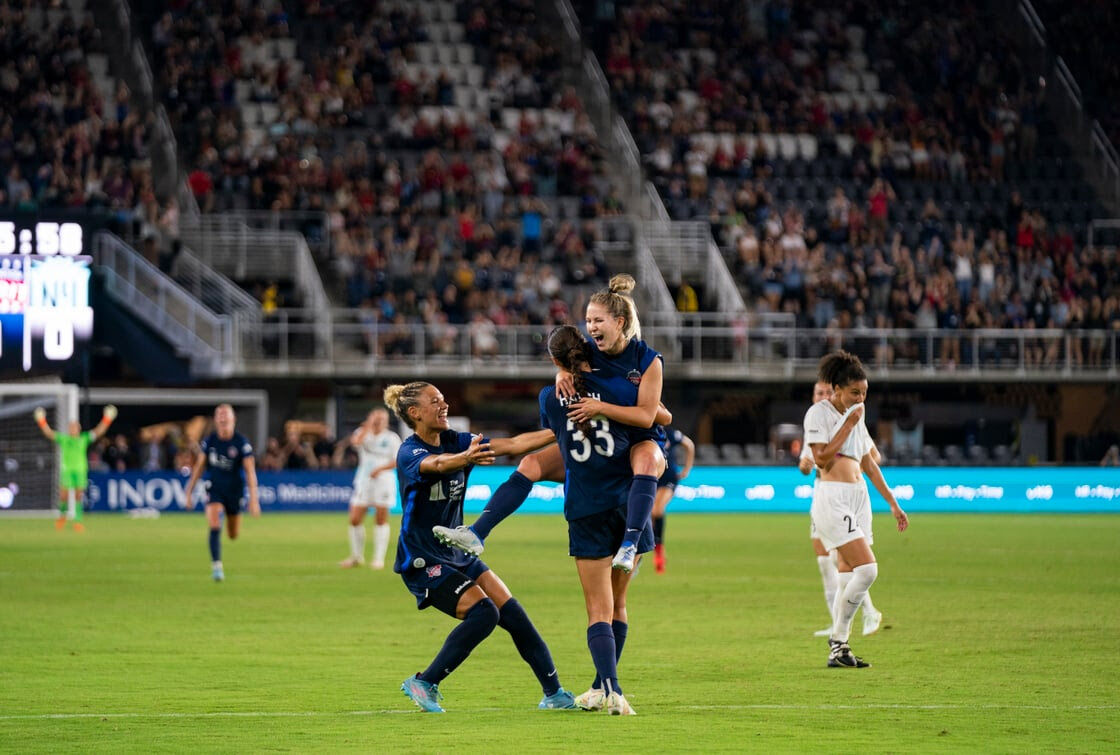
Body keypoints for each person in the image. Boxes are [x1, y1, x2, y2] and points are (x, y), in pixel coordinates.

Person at [435, 273, 668, 573]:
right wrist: (561, 374)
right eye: (588, 320)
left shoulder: (646, 358)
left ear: (619, 322)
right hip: (604, 438)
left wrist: (601, 407)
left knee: (647, 460)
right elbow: (572, 372)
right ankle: (477, 532)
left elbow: (655, 415)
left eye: (598, 320)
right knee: (531, 463)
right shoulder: (587, 353)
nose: (591, 327)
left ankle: (630, 541)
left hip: (639, 439)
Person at [384, 381, 576, 714]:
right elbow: (439, 465)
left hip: (457, 552)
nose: (444, 405)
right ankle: (425, 682)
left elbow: (514, 444)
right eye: (435, 401)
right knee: (485, 612)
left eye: (444, 398)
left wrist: (562, 431)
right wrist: (467, 456)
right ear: (415, 413)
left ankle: (554, 694)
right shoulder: (410, 452)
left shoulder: (455, 439)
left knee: (514, 616)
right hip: (422, 558)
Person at [535, 324, 662, 714]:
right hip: (627, 503)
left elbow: (555, 442)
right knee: (619, 605)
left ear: (556, 361)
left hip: (585, 507)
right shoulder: (615, 389)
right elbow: (655, 415)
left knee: (597, 610)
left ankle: (610, 689)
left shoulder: (550, 398)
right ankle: (601, 688)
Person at [803, 351, 909, 668]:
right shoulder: (818, 414)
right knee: (868, 570)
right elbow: (821, 459)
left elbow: (868, 465)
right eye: (854, 393)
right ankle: (838, 640)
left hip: (858, 496)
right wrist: (847, 425)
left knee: (847, 576)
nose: (860, 399)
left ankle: (840, 649)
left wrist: (893, 503)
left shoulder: (857, 416)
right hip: (832, 497)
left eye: (864, 393)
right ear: (837, 389)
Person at [799, 381, 883, 637]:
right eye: (818, 393)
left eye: (827, 392)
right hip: (823, 494)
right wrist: (806, 464)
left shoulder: (852, 417)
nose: (823, 397)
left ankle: (868, 611)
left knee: (845, 560)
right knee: (826, 563)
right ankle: (836, 625)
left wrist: (846, 460)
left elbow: (873, 457)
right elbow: (806, 465)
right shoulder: (814, 423)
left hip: (844, 495)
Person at [184, 404, 261, 582]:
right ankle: (217, 566)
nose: (223, 417)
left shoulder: (241, 443)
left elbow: (250, 472)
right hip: (215, 488)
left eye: (226, 414)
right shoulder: (210, 441)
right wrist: (189, 491)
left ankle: (231, 523)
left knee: (233, 534)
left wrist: (254, 500)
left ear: (233, 420)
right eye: (220, 415)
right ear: (216, 420)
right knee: (214, 522)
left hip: (234, 491)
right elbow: (199, 467)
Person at [33, 404, 118, 531]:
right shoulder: (64, 439)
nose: (73, 429)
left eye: (75, 427)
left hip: (80, 470)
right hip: (67, 470)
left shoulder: (84, 438)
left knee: (78, 496)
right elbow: (49, 433)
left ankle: (78, 521)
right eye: (71, 427)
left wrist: (107, 419)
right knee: (63, 496)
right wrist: (41, 421)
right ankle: (62, 516)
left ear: (79, 429)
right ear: (69, 429)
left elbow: (99, 431)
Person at [339, 408, 402, 569]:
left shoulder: (392, 438)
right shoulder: (362, 432)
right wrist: (367, 427)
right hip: (363, 481)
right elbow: (355, 443)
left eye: (382, 419)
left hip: (384, 482)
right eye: (376, 418)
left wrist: (380, 469)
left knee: (380, 519)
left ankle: (378, 558)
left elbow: (398, 461)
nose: (378, 421)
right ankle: (356, 556)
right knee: (354, 519)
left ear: (386, 421)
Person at [651, 426, 694, 574]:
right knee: (648, 516)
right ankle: (649, 549)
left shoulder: (671, 434)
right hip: (651, 478)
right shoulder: (645, 432)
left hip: (668, 479)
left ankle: (659, 552)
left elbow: (689, 445)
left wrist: (687, 469)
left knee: (656, 510)